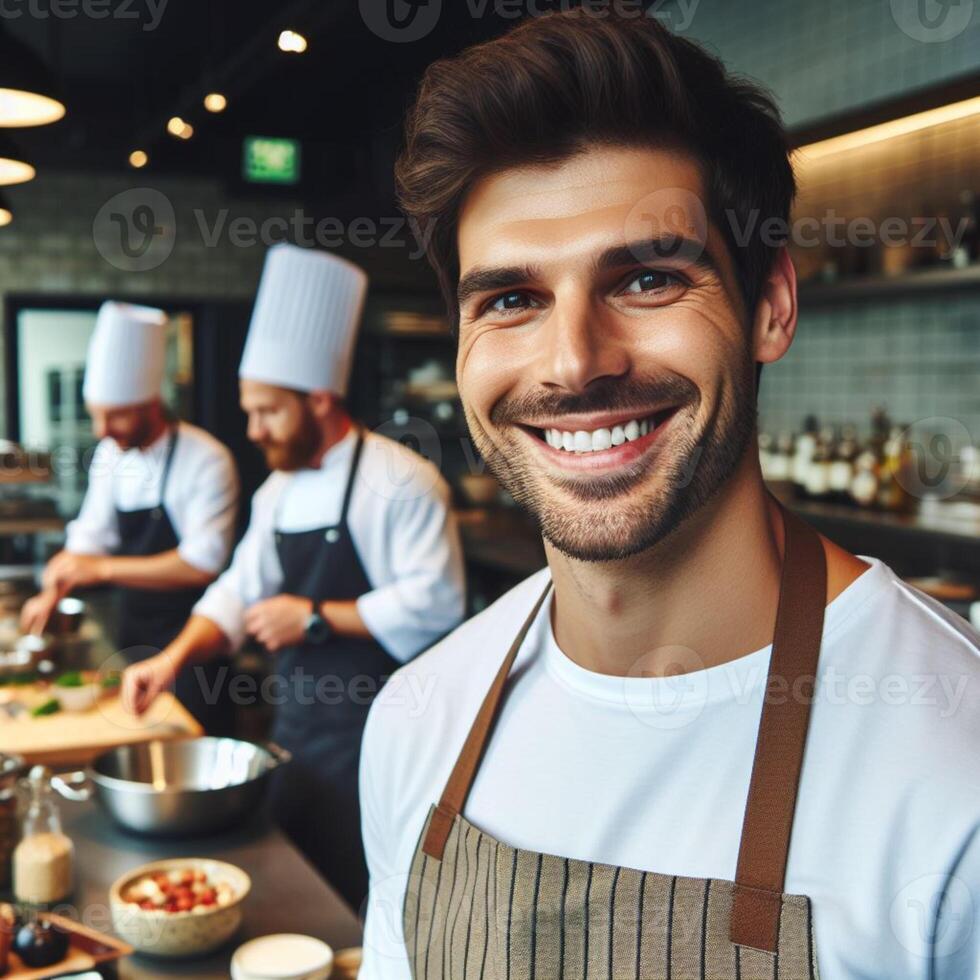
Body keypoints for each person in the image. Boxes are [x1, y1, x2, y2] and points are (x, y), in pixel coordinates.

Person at [357, 11, 980, 979]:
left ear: (768, 302)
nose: (573, 364)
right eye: (510, 299)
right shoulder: (414, 717)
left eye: (646, 277)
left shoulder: (954, 764)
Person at [121, 243, 466, 911]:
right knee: (301, 888)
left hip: (382, 737)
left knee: (372, 900)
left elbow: (438, 603)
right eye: (249, 411)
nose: (253, 430)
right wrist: (170, 660)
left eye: (267, 412)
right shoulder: (278, 491)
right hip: (299, 729)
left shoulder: (400, 480)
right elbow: (235, 590)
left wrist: (312, 614)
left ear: (318, 399)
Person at [22, 301, 239, 732]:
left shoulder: (207, 459)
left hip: (193, 652)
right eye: (96, 414)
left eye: (115, 414)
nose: (102, 429)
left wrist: (100, 568)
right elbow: (90, 535)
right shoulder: (110, 456)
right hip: (133, 640)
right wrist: (54, 585)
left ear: (151, 403)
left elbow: (201, 563)